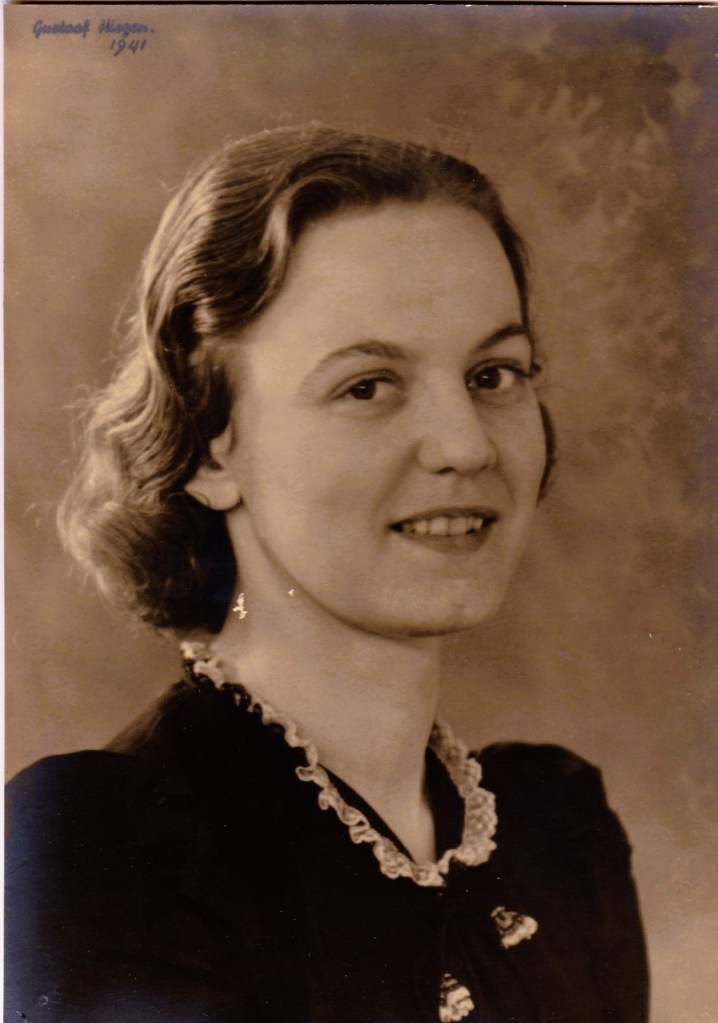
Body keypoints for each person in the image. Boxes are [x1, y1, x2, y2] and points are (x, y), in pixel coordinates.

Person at [5, 125, 648, 1023]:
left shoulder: (559, 835)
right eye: (368, 386)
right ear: (210, 443)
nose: (466, 445)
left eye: (493, 374)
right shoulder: (115, 852)